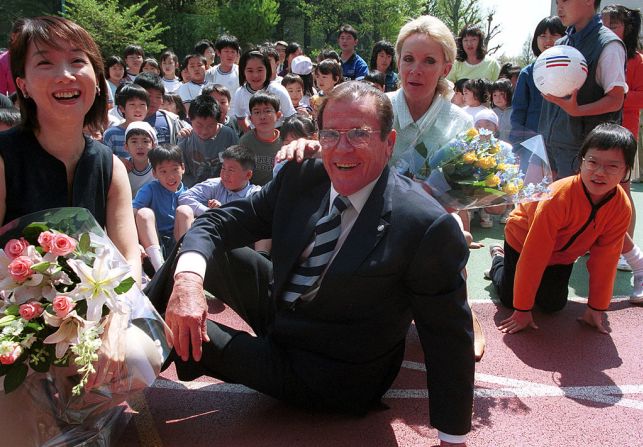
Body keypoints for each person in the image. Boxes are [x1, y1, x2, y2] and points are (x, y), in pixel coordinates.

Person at [146, 81, 474, 446]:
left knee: (177, 331)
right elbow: (216, 222)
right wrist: (189, 284)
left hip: (329, 371)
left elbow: (448, 338)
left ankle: (121, 364)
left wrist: (453, 439)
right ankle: (121, 341)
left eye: (360, 134)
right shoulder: (302, 175)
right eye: (331, 134)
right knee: (190, 259)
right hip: (282, 310)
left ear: (390, 142)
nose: (343, 147)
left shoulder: (425, 225)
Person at [0, 16, 141, 283]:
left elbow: (128, 255)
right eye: (45, 63)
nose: (65, 75)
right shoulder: (4, 159)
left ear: (98, 80)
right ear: (23, 85)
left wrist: (122, 311)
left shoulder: (110, 167)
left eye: (77, 61)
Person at [489, 123, 636, 334]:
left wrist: (596, 308)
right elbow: (534, 253)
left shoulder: (621, 207)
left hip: (562, 256)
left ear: (626, 171)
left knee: (552, 305)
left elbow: (606, 258)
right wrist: (522, 309)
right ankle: (498, 260)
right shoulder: (559, 197)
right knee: (510, 299)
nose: (600, 173)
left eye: (612, 166)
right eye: (592, 162)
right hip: (522, 242)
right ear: (581, 161)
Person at [539, 0, 627, 180]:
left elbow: (616, 99)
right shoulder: (561, 44)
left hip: (584, 153)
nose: (559, 7)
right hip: (550, 146)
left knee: (577, 207)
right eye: (556, 2)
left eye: (565, 0)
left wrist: (578, 110)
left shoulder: (609, 45)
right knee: (552, 206)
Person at [601, 5, 643, 303]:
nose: (607, 28)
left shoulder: (637, 59)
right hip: (595, 131)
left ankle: (626, 253)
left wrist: (618, 93)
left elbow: (639, 96)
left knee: (622, 191)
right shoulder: (599, 52)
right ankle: (599, 241)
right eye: (603, 23)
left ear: (627, 28)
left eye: (613, 24)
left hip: (624, 133)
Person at [510, 16, 565, 172]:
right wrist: (517, 144)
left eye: (554, 35)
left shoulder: (573, 71)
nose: (548, 40)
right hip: (533, 142)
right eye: (542, 35)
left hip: (563, 143)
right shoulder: (528, 73)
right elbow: (518, 112)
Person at [133, 144, 188, 272]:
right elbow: (132, 213)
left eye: (175, 169)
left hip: (178, 242)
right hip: (154, 241)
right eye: (163, 171)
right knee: (144, 213)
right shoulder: (149, 189)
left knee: (185, 211)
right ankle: (160, 270)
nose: (170, 176)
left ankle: (185, 265)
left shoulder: (189, 193)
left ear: (183, 168)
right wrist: (134, 243)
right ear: (154, 173)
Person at [177, 144, 260, 218]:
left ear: (248, 175)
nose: (225, 174)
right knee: (183, 210)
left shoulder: (255, 194)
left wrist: (221, 212)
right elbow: (184, 197)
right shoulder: (216, 184)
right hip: (212, 233)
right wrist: (209, 212)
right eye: (223, 168)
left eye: (231, 170)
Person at [179, 94, 239, 187]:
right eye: (199, 125)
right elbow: (181, 171)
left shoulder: (228, 135)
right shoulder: (185, 137)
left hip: (222, 188)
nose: (204, 131)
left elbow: (237, 165)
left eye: (210, 125)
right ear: (190, 119)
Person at [230, 49, 295, 134]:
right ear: (243, 71)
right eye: (250, 71)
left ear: (267, 69)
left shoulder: (278, 90)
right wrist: (251, 135)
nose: (255, 75)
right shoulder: (240, 93)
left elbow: (290, 117)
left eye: (260, 70)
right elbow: (240, 118)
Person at [238, 92, 282, 186]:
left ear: (278, 115)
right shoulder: (245, 142)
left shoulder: (285, 141)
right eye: (257, 112)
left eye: (267, 111)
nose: (262, 117)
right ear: (251, 118)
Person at [134, 72, 186, 145]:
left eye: (158, 97)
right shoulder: (124, 123)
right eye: (149, 95)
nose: (154, 101)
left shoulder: (172, 120)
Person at [103, 83, 149, 161]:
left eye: (142, 104)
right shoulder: (111, 134)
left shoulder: (151, 131)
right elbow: (104, 158)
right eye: (132, 104)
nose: (138, 109)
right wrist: (117, 160)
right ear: (122, 108)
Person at [124, 121, 157, 197]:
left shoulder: (159, 166)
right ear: (126, 146)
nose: (140, 146)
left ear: (154, 145)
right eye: (134, 141)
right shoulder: (121, 167)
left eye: (145, 141)